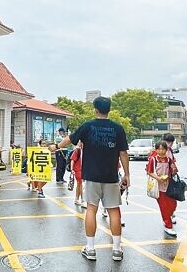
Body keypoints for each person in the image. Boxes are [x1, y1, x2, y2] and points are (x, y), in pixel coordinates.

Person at [49, 96, 129, 262]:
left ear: (95, 110)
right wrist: (127, 175)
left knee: (91, 209)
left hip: (91, 176)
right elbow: (123, 153)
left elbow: (70, 139)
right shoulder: (118, 128)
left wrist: (55, 147)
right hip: (111, 177)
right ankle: (116, 250)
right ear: (109, 109)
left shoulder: (87, 126)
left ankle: (91, 249)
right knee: (114, 211)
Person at [146, 141, 178, 237]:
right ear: (156, 150)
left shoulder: (169, 160)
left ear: (166, 150)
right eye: (159, 149)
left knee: (173, 204)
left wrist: (174, 170)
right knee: (164, 207)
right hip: (158, 186)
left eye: (163, 149)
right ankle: (168, 225)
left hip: (168, 185)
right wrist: (158, 178)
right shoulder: (153, 159)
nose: (161, 151)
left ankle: (169, 216)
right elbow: (149, 172)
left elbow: (174, 171)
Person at [70, 141, 83, 206]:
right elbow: (72, 160)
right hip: (78, 170)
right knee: (81, 184)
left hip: (85, 170)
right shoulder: (78, 150)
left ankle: (77, 198)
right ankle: (83, 200)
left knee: (79, 184)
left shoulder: (89, 151)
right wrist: (72, 169)